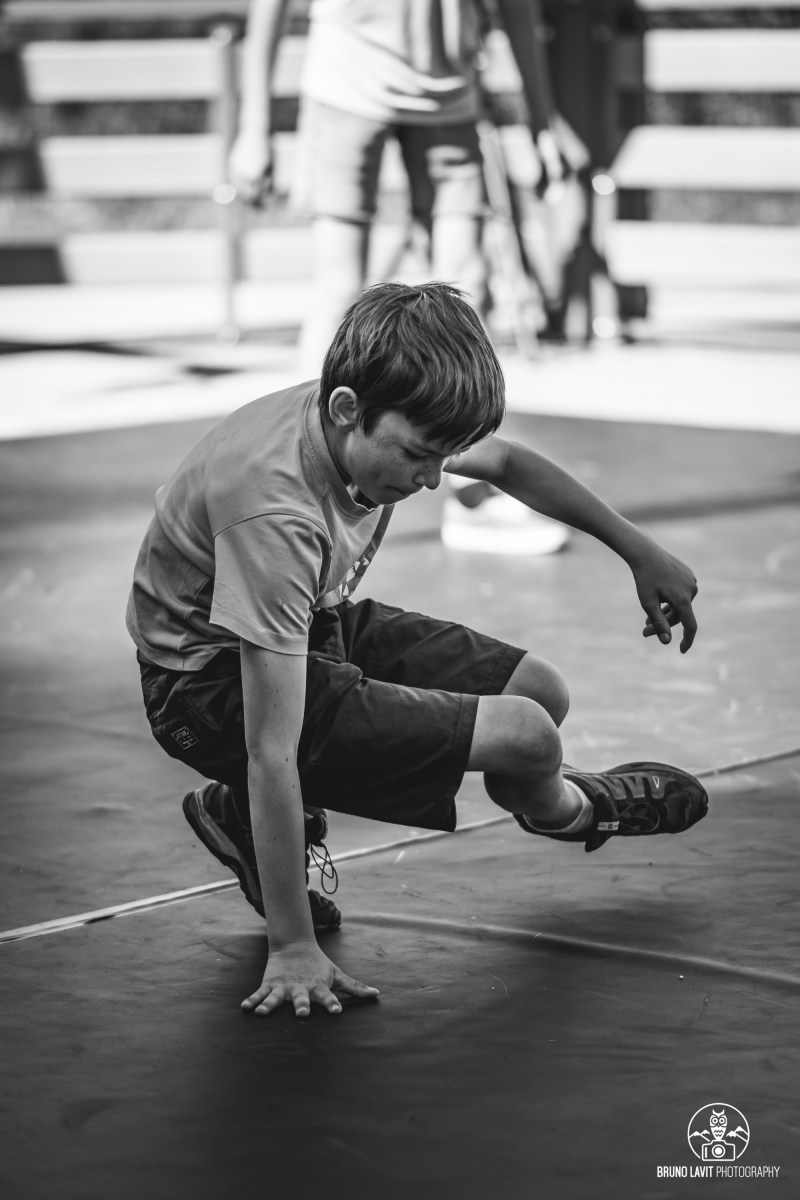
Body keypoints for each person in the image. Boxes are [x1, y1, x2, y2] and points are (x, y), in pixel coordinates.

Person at [128, 282, 706, 1020]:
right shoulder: (273, 510)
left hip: (309, 620)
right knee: (528, 739)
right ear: (346, 409)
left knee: (541, 690)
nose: (432, 480)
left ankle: (239, 816)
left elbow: (508, 465)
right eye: (417, 457)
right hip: (205, 690)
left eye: (442, 457)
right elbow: (270, 749)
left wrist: (637, 549)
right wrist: (292, 945)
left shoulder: (379, 406)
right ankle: (576, 810)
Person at [230, 0, 580, 554]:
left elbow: (516, 9)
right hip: (347, 86)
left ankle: (470, 499)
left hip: (450, 98)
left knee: (466, 291)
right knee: (339, 288)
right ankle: (296, 492)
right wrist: (253, 127)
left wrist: (542, 121)